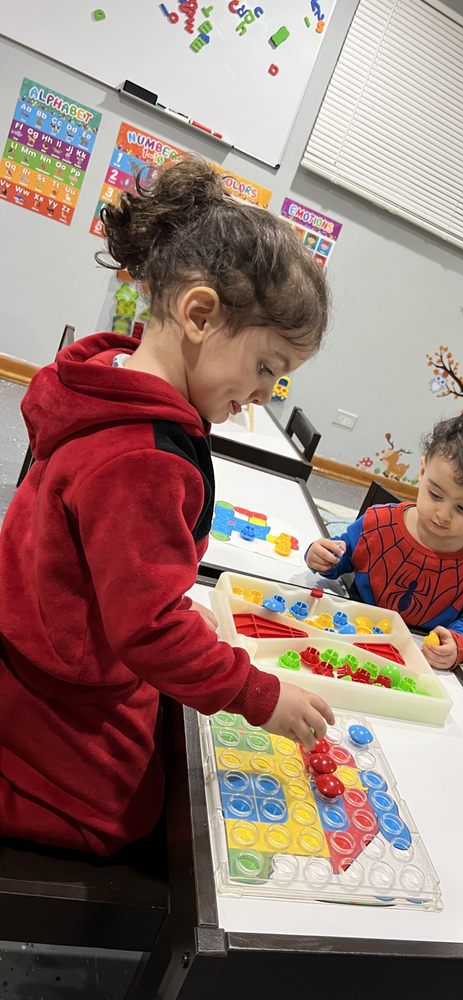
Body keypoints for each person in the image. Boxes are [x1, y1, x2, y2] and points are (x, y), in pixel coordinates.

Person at [0, 157, 334, 856]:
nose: (265, 394)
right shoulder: (142, 459)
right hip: (57, 689)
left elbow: (123, 576)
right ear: (200, 315)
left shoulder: (108, 376)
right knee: (137, 820)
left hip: (42, 637)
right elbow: (147, 631)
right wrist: (259, 695)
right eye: (267, 368)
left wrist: (167, 614)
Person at [306, 410, 463, 669]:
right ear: (422, 470)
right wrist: (322, 556)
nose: (443, 515)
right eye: (435, 494)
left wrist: (458, 643)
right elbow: (343, 554)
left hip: (415, 657)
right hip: (348, 634)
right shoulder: (378, 522)